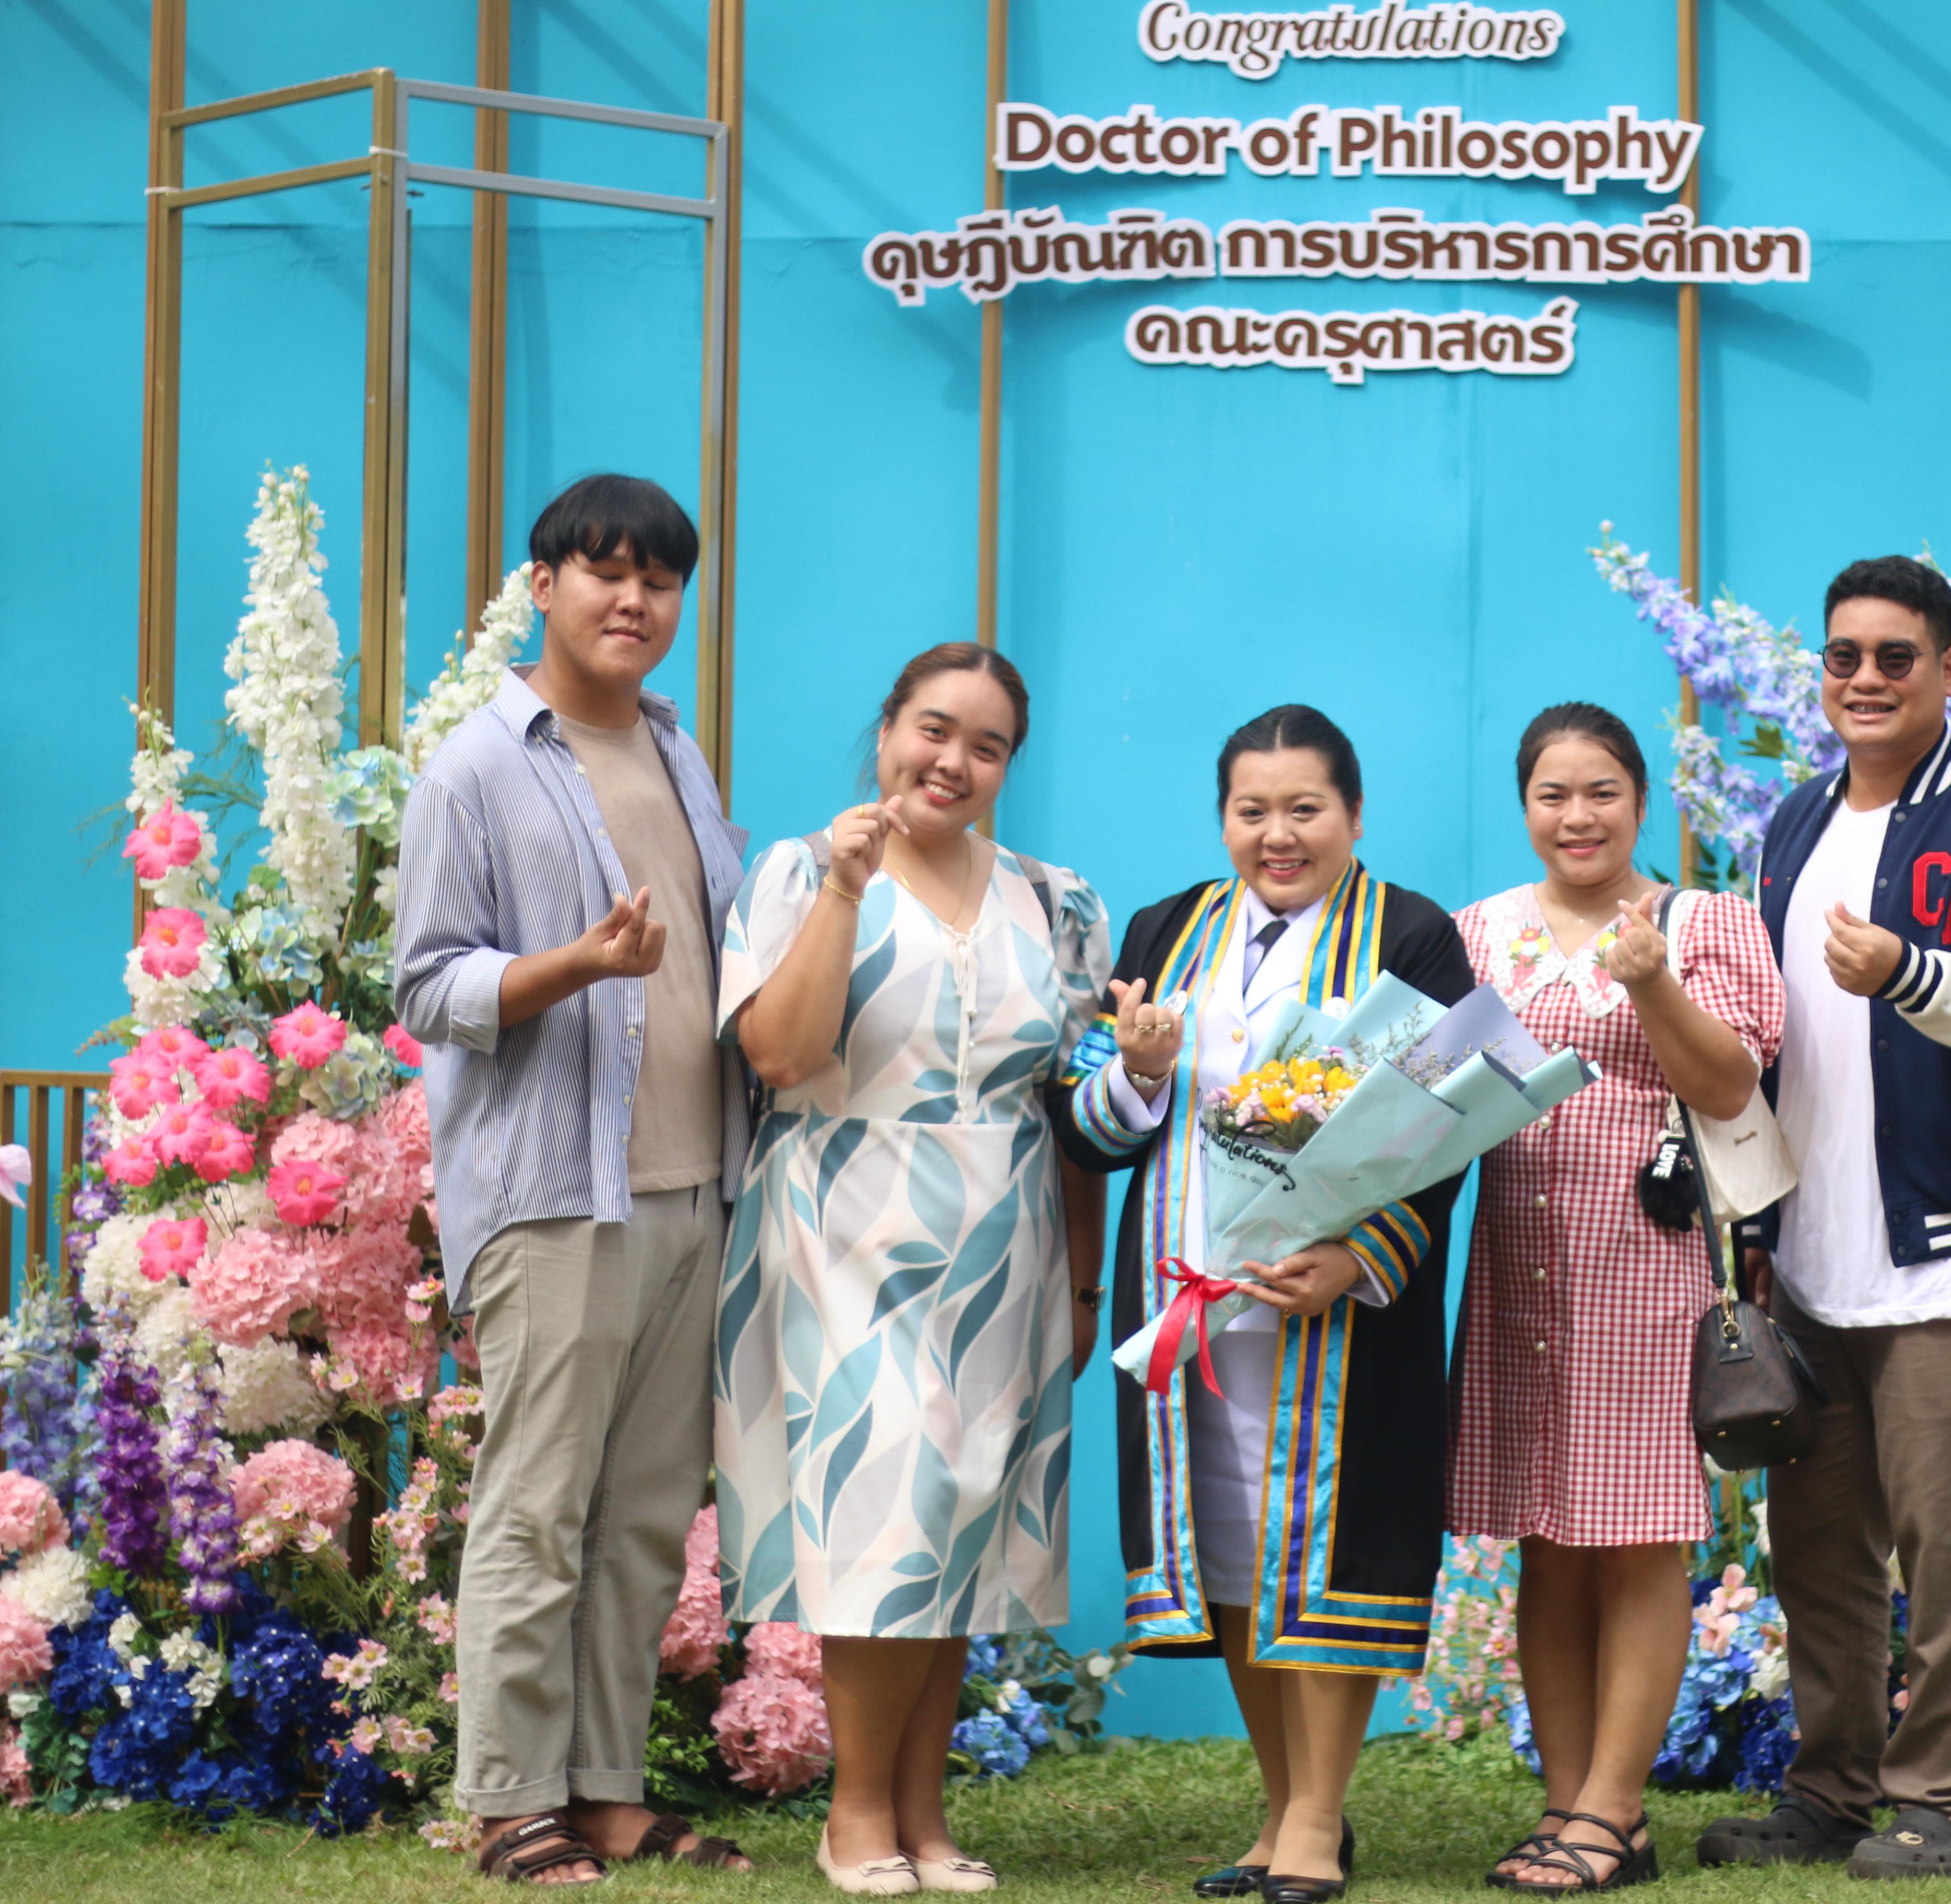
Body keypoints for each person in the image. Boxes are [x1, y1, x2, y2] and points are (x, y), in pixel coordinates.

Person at [1696, 557, 1951, 1883]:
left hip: (1944, 1251)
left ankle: (1936, 1806)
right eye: (1845, 656)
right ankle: (1828, 1795)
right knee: (1816, 1554)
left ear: (1950, 672)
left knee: (1945, 1548)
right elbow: (1769, 1035)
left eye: (1896, 658)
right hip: (1809, 1254)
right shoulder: (1794, 826)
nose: (1865, 679)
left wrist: (1916, 973)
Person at [395, 474, 756, 1884]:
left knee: (652, 1508)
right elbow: (427, 985)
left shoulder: (681, 753)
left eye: (659, 582)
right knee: (540, 1500)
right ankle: (507, 1801)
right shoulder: (476, 768)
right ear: (537, 584)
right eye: (603, 573)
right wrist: (576, 969)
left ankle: (605, 1788)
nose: (633, 601)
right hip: (553, 1193)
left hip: (689, 1188)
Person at [1053, 706, 1473, 1904]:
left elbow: (1446, 1137)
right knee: (1233, 1550)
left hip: (1335, 1310)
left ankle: (1319, 1820)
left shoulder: (1412, 937)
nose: (1277, 835)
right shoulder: (1166, 931)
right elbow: (1087, 1134)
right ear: (1224, 817)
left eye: (1305, 810)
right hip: (1190, 1297)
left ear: (1353, 815)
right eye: (1253, 811)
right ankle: (1284, 1808)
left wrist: (1360, 1257)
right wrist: (1135, 1072)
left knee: (1321, 1545)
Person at [716, 643, 1112, 1896]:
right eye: (933, 730)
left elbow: (1078, 1110)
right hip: (845, 1220)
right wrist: (845, 888)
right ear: (887, 726)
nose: (952, 762)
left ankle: (927, 1819)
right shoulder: (793, 870)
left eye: (986, 746)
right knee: (885, 1512)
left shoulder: (1056, 901)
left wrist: (1088, 1282)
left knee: (964, 1524)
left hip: (1007, 1235)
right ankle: (855, 1815)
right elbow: (780, 1054)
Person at [1449, 704, 1785, 1893]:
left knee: (1640, 1538)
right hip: (1518, 1266)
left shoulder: (1702, 925)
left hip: (1647, 1271)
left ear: (1641, 803)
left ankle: (1614, 1806)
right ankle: (1570, 1808)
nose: (1576, 816)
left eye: (1601, 792)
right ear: (1525, 805)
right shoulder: (1479, 933)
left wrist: (1651, 988)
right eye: (1553, 794)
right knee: (1548, 1540)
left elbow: (1733, 1084)